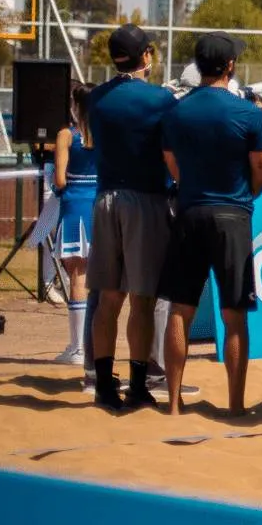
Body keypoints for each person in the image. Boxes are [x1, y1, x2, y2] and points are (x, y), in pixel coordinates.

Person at [157, 32, 262, 416]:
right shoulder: (249, 113)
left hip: (190, 210)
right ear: (230, 66)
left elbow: (171, 161)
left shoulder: (176, 111)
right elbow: (261, 169)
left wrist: (189, 186)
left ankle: (173, 403)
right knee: (234, 314)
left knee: (180, 308)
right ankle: (235, 405)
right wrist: (246, 197)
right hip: (232, 214)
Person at [84, 24, 177, 410]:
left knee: (107, 298)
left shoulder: (97, 99)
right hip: (146, 199)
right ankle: (138, 384)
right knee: (142, 299)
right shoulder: (160, 100)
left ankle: (104, 384)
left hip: (105, 197)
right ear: (146, 56)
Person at [52, 82, 98, 368]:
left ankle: (77, 347)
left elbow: (59, 179)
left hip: (75, 207)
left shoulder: (66, 135)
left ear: (74, 105)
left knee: (77, 276)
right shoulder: (106, 135)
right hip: (101, 206)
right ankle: (93, 346)